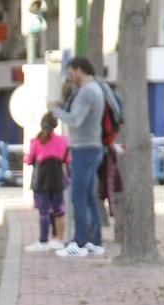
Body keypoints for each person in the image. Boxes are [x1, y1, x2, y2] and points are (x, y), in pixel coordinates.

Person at [51, 56, 106, 258]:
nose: (70, 76)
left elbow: (75, 120)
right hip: (93, 147)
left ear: (79, 70)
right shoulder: (96, 89)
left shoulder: (86, 92)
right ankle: (96, 241)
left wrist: (55, 110)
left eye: (71, 71)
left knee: (78, 197)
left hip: (83, 149)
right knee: (90, 196)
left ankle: (79, 242)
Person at [24, 112, 69, 251]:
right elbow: (68, 160)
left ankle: (43, 241)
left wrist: (26, 158)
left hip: (41, 180)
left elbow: (29, 160)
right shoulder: (63, 141)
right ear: (55, 125)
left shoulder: (36, 142)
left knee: (44, 212)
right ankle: (59, 240)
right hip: (57, 179)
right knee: (59, 211)